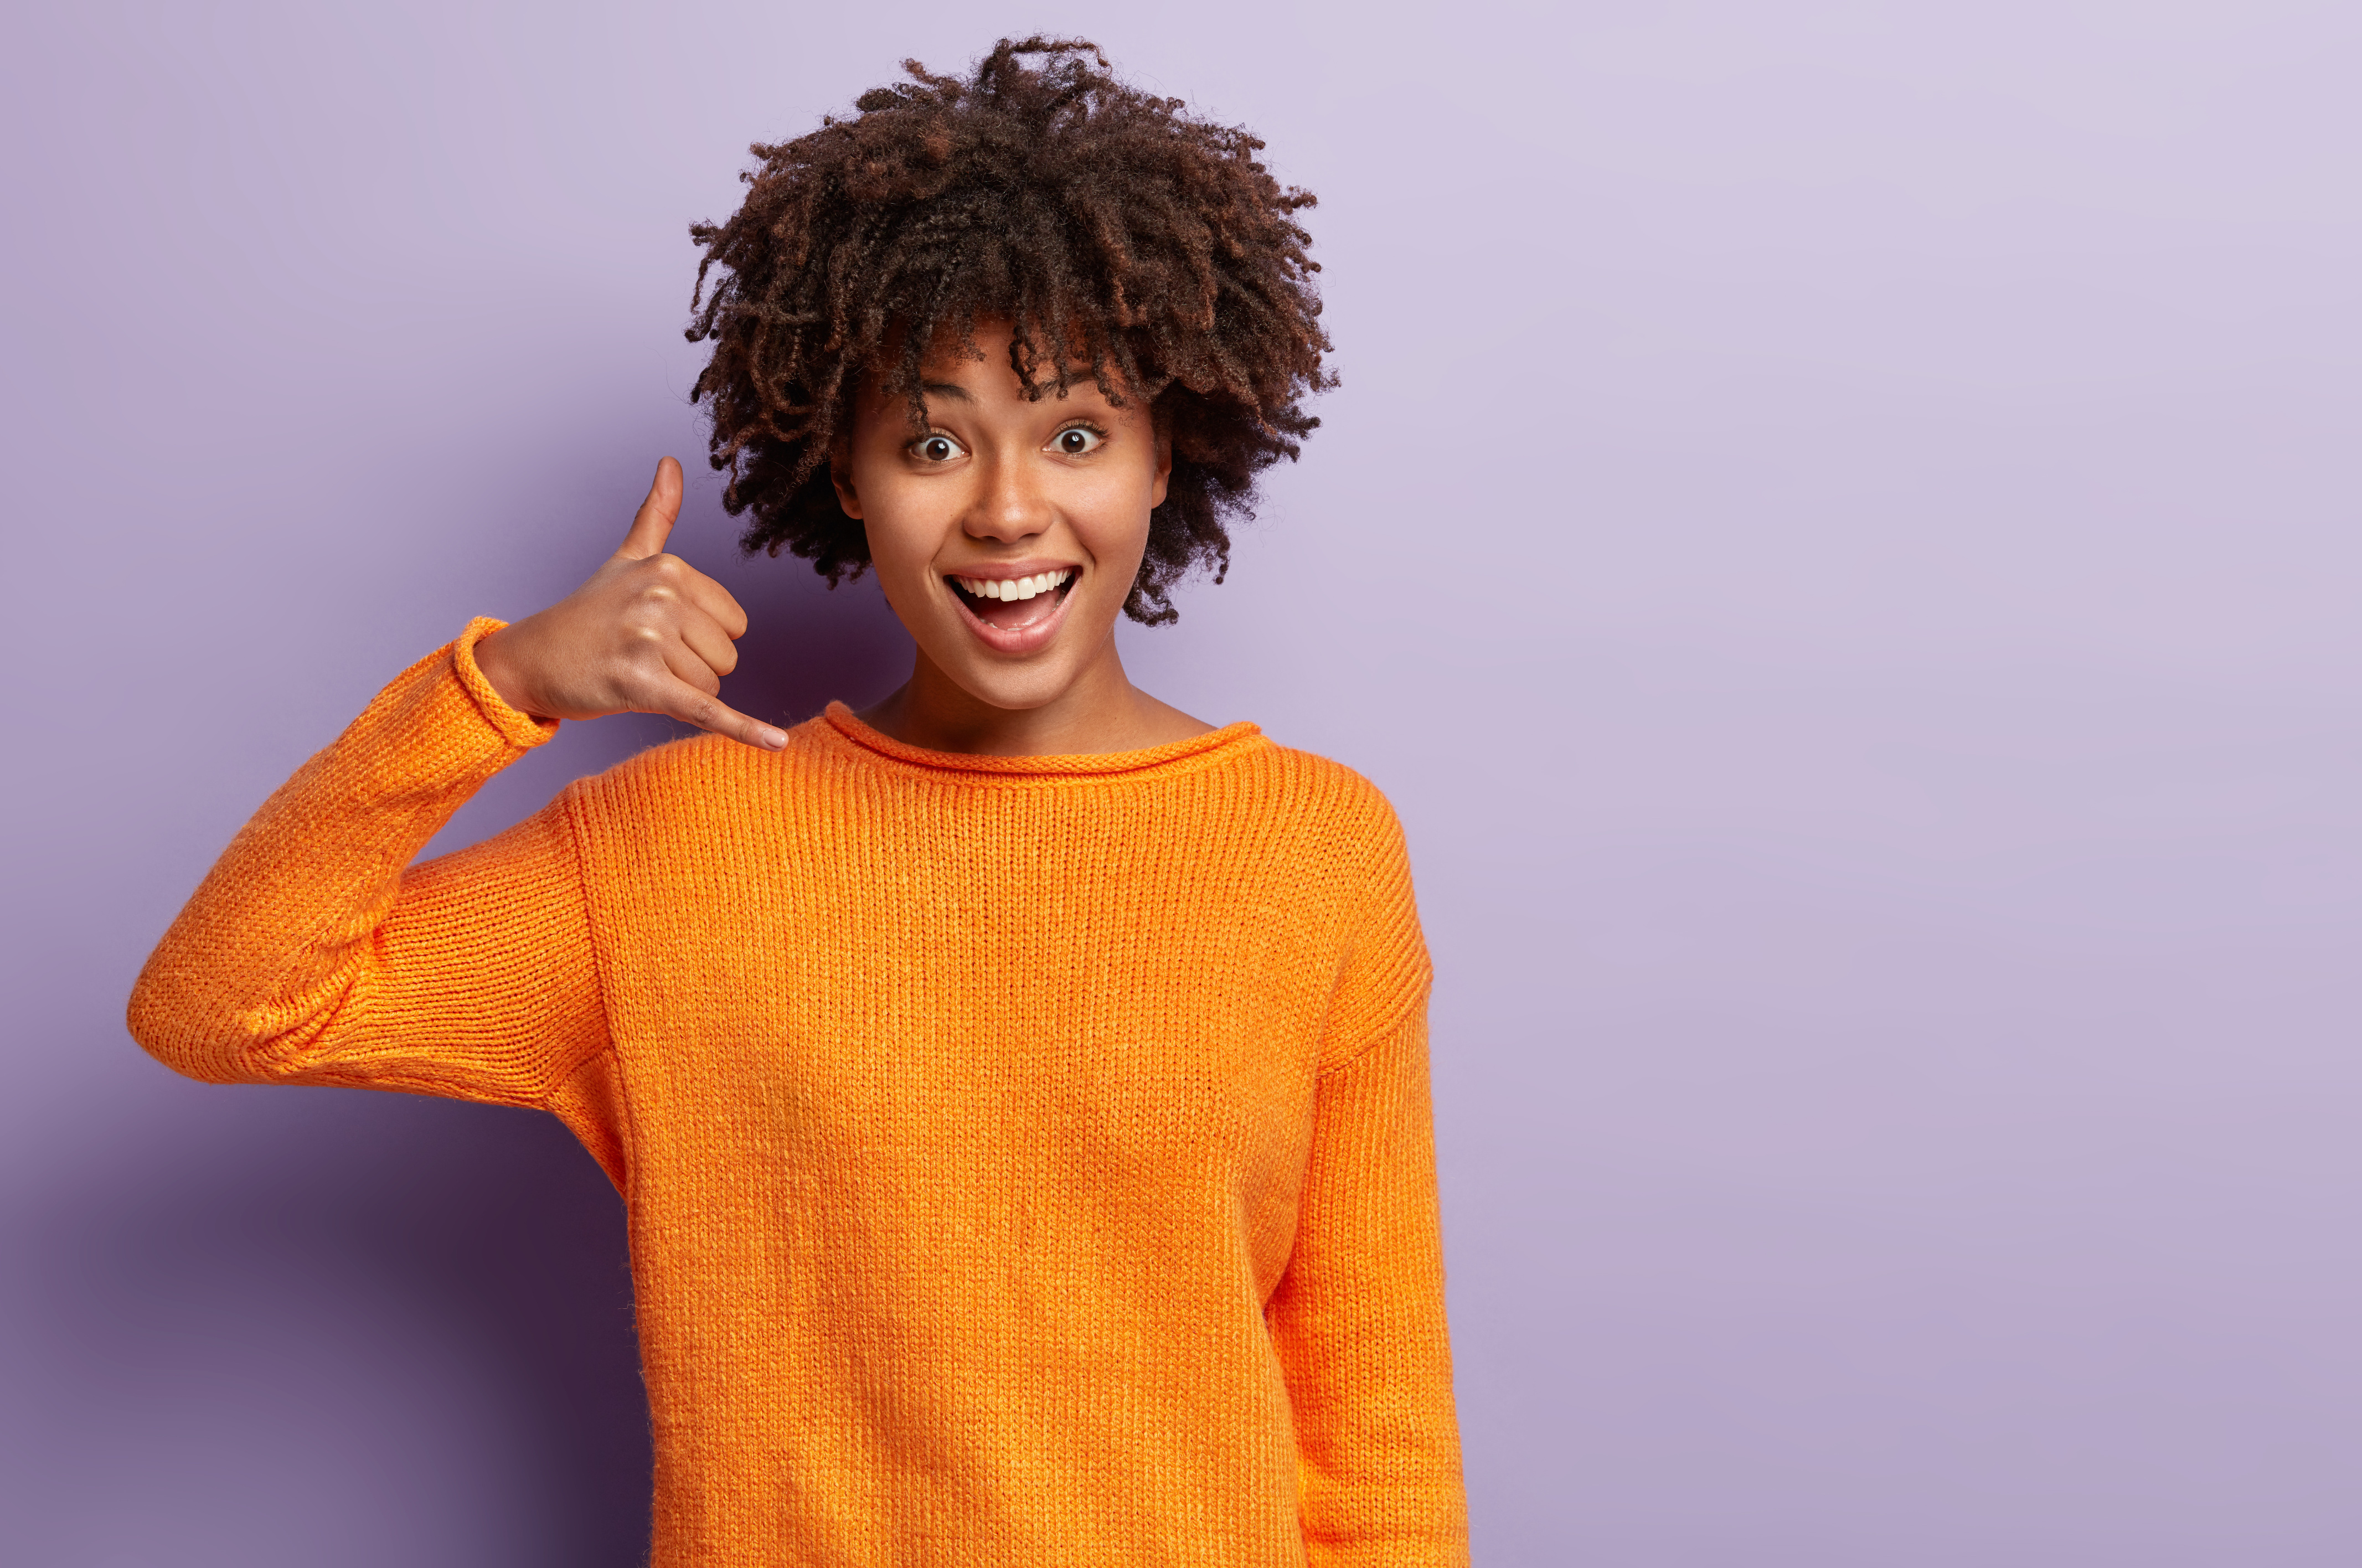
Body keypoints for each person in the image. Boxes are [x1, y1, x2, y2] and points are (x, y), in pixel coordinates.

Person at [128, 36, 1467, 1567]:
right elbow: (225, 1007)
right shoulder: (665, 851)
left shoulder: (1315, 849)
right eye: (933, 440)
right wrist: (504, 683)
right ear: (844, 468)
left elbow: (1376, 1438)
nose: (1010, 507)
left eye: (1078, 433)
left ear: (1172, 453)